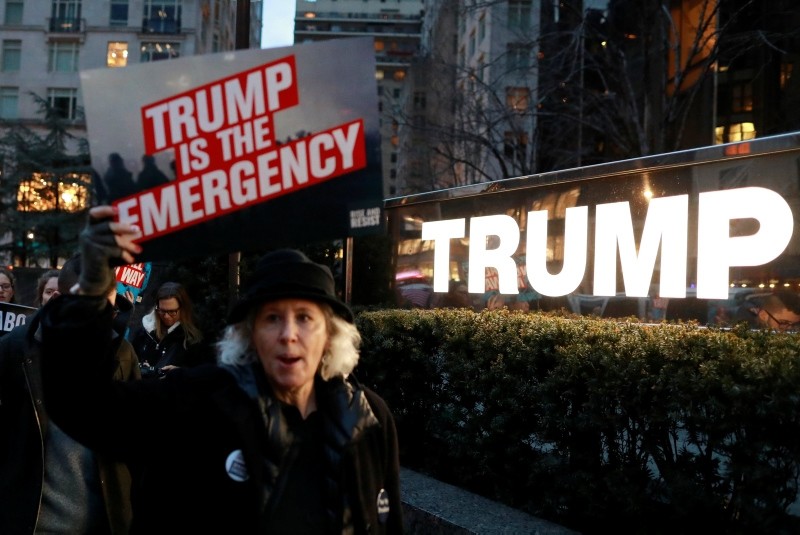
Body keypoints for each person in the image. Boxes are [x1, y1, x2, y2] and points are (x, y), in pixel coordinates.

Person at [39, 206, 403, 533]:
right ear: (249, 336)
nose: (289, 335)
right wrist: (88, 293)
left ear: (329, 335)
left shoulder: (367, 418)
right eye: (272, 319)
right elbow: (83, 406)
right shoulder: (199, 400)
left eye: (305, 318)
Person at [0, 254, 139, 534]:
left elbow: (136, 438)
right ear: (58, 298)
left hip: (104, 522)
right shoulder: (15, 349)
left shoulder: (122, 353)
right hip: (32, 521)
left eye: (107, 308)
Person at [130, 281, 211, 378]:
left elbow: (202, 376)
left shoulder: (193, 338)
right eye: (162, 311)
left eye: (172, 312)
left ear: (183, 309)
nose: (166, 316)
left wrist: (181, 373)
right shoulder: (144, 331)